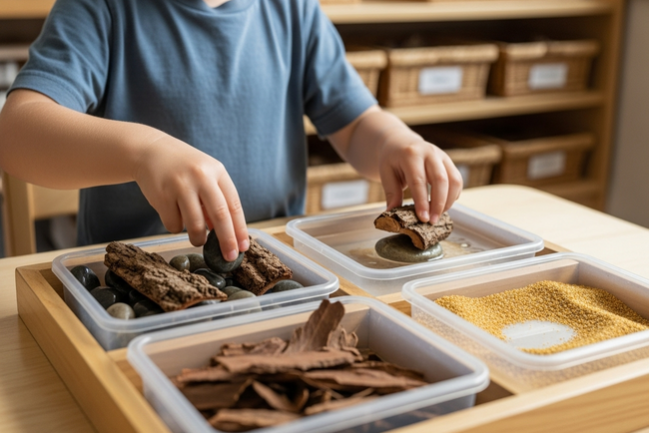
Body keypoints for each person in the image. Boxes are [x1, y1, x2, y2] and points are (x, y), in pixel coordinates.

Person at [0, 0, 463, 261]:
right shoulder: (100, 8)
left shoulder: (294, 12)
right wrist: (144, 151)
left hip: (273, 265)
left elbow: (357, 123)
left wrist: (397, 142)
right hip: (134, 273)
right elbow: (17, 133)